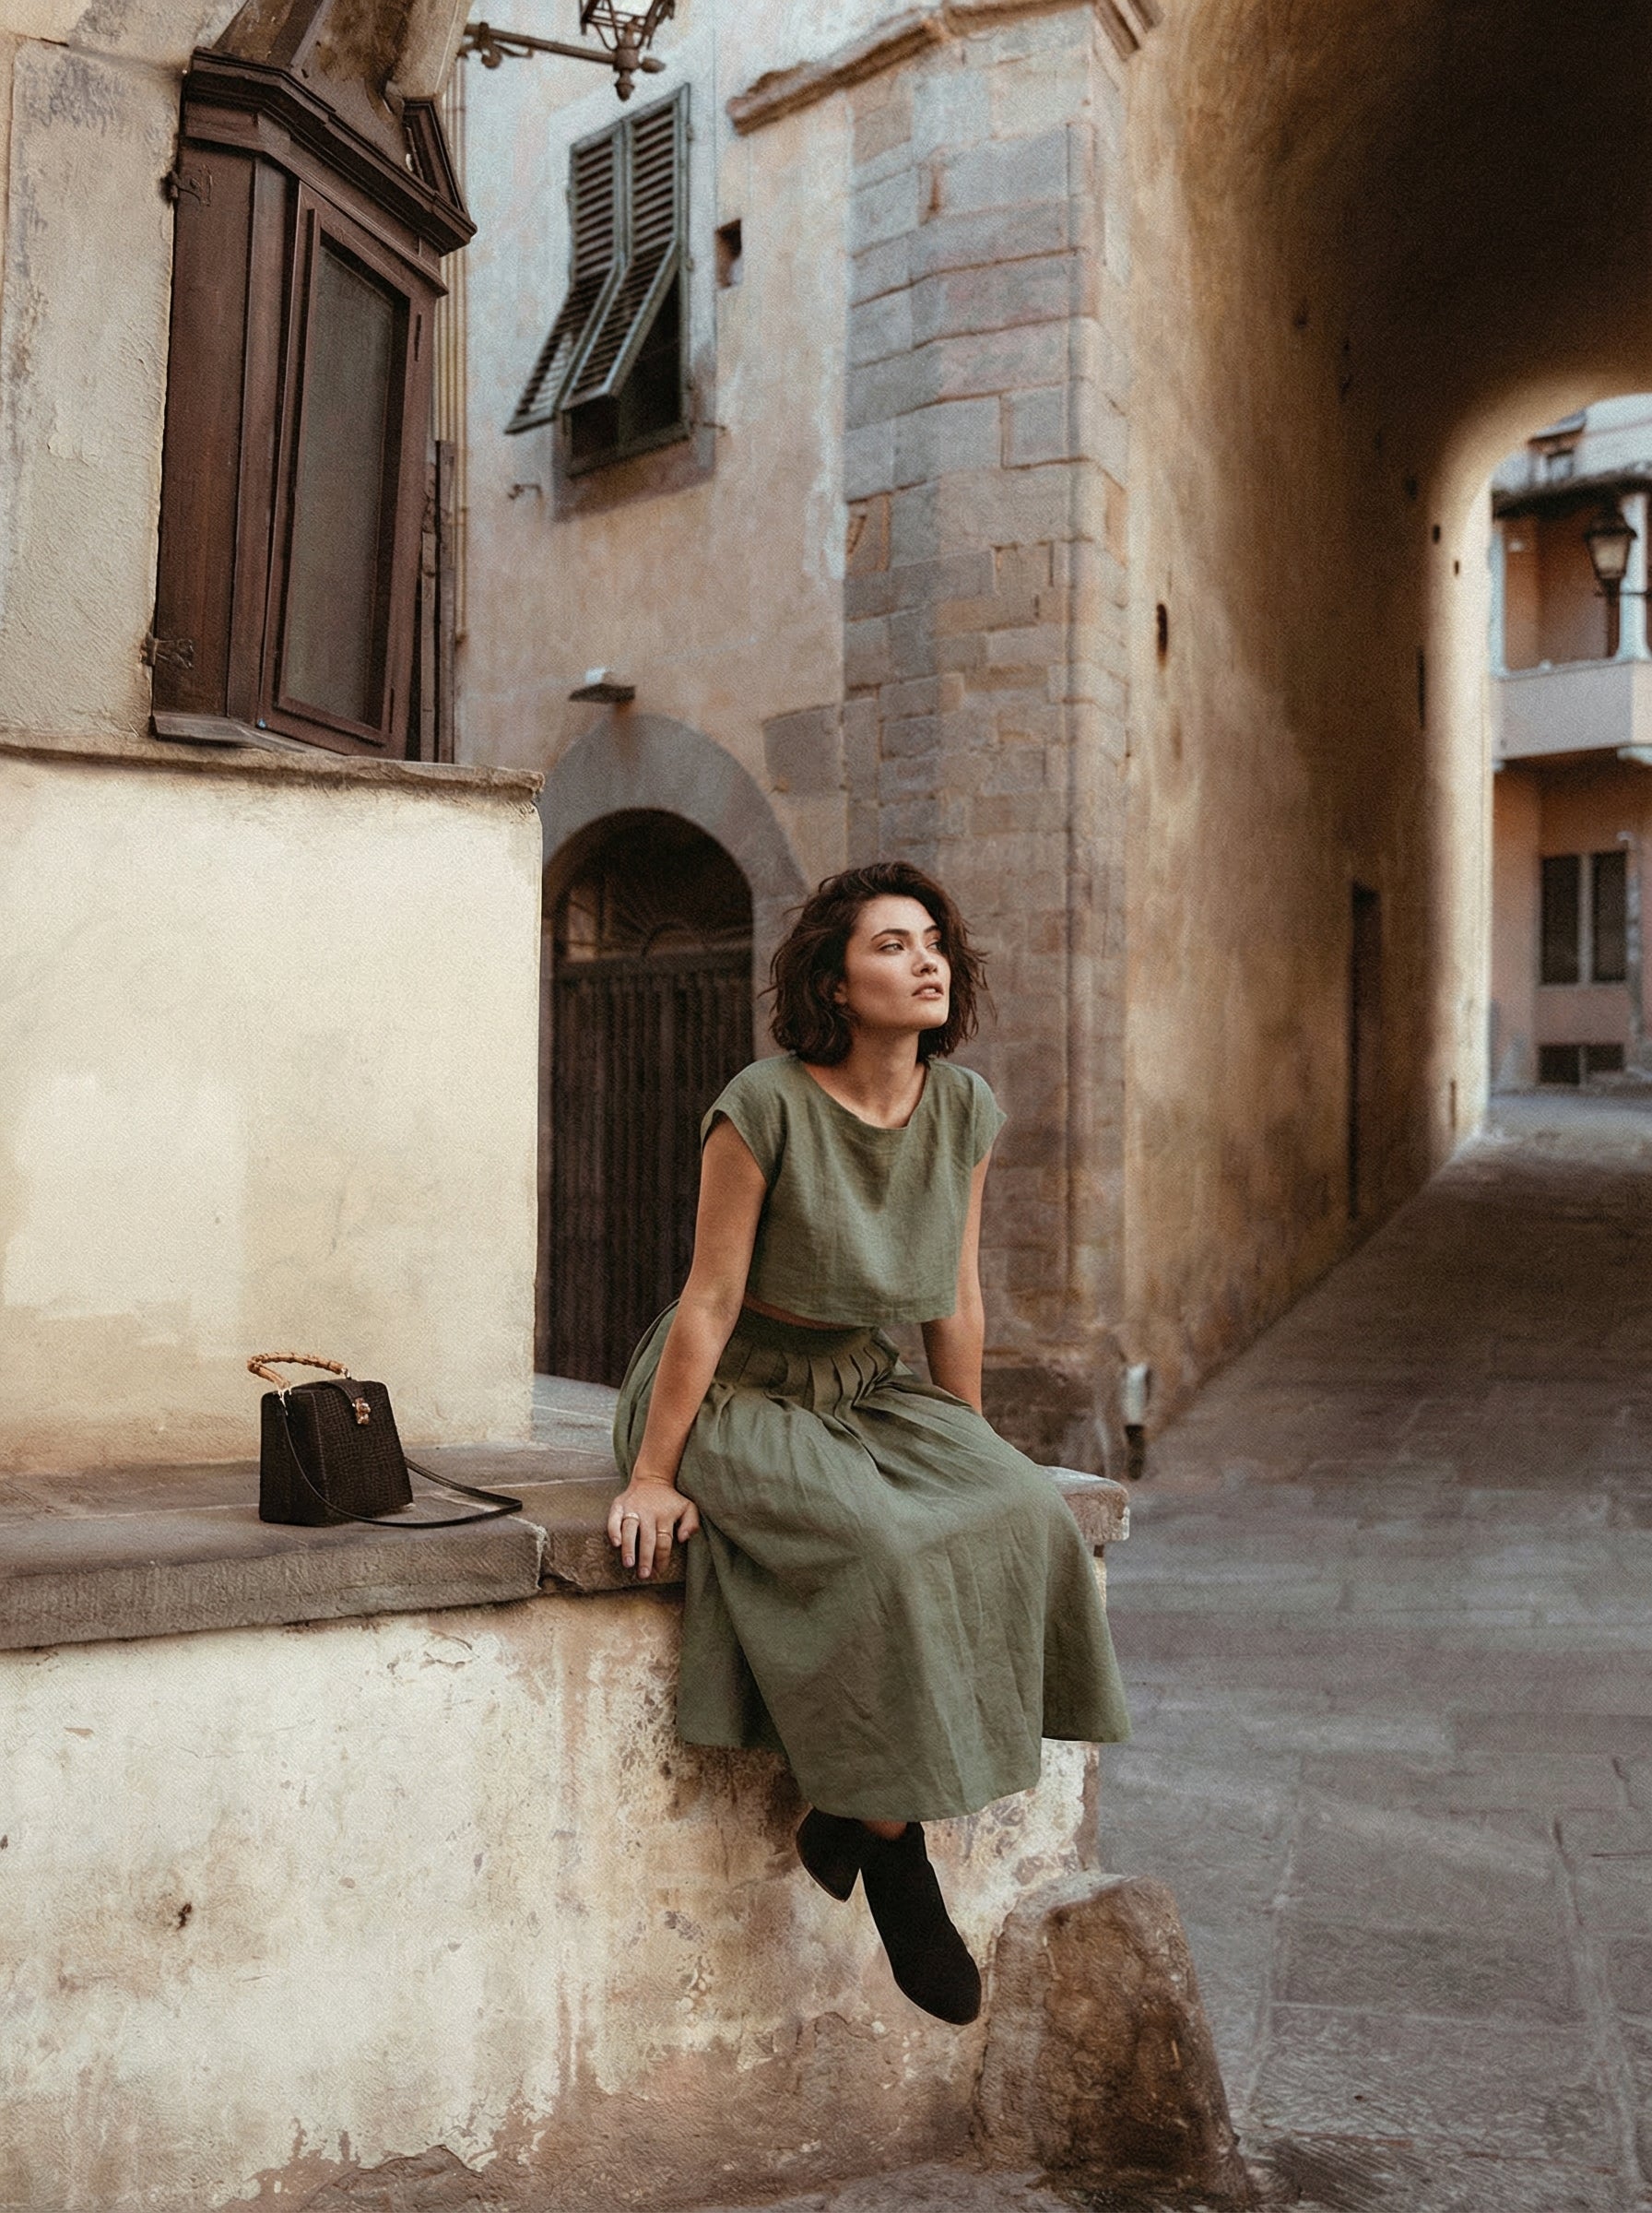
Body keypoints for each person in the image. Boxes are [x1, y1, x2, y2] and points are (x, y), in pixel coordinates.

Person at [606, 860, 1130, 2024]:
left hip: (862, 1380)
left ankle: (853, 1818)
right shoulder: (763, 1105)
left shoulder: (964, 1109)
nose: (927, 959)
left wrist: (970, 1444)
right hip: (735, 1389)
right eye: (892, 944)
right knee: (882, 1547)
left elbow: (954, 1296)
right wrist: (652, 1471)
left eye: (934, 939)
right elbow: (707, 1300)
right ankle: (894, 1856)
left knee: (1023, 1511)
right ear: (836, 983)